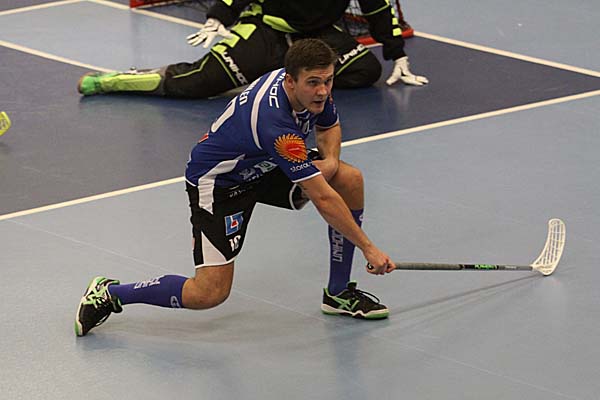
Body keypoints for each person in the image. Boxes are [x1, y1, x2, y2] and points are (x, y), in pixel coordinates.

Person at [75, 39, 396, 337]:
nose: (323, 90)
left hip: (264, 165)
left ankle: (338, 292)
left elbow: (329, 126)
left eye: (328, 80)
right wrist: (369, 248)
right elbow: (323, 198)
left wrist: (332, 162)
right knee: (209, 293)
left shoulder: (312, 87)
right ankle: (110, 293)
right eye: (314, 82)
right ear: (290, 81)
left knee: (348, 178)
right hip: (221, 182)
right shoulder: (274, 122)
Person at [77, 0, 428, 99]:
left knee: (365, 70)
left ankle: (281, 79)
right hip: (267, 30)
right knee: (197, 83)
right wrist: (220, 15)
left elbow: (377, 5)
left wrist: (396, 52)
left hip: (320, 36)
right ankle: (114, 81)